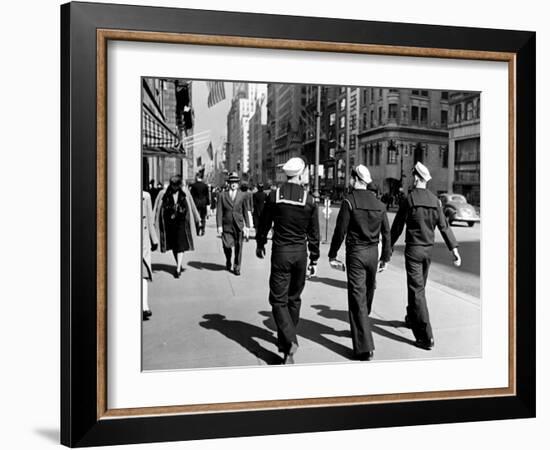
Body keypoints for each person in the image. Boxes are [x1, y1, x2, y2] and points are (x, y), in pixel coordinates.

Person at [390, 162, 462, 350]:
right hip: (428, 252)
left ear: (415, 178)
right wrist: (454, 249)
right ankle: (411, 317)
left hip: (413, 251)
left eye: (413, 177)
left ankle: (425, 336)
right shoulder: (435, 201)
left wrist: (387, 247)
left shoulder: (409, 199)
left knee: (416, 291)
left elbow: (398, 226)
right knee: (418, 288)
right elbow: (444, 226)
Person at [256, 157, 320, 364]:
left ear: (286, 174)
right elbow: (314, 234)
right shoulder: (309, 200)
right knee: (294, 298)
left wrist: (260, 244)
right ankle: (287, 345)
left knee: (277, 299)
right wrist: (314, 259)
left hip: (281, 253)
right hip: (301, 254)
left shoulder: (274, 197)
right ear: (300, 174)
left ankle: (289, 340)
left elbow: (264, 224)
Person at [328, 165, 391, 361]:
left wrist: (332, 254)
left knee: (357, 298)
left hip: (355, 254)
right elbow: (386, 233)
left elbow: (340, 231)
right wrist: (385, 257)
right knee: (368, 292)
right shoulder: (379, 204)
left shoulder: (349, 201)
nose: (349, 180)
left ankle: (364, 347)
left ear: (355, 179)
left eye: (350, 177)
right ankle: (361, 326)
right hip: (373, 254)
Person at [154, 175, 200, 278]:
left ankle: (178, 268)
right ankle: (178, 264)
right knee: (175, 246)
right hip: (169, 224)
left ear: (179, 185)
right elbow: (156, 207)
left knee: (180, 246)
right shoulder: (163, 193)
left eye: (176, 185)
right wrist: (153, 220)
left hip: (182, 224)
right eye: (173, 185)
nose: (174, 187)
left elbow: (192, 205)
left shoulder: (185, 193)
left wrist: (198, 219)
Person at [216, 172, 251, 276]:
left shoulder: (243, 195)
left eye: (235, 182)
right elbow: (219, 211)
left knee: (239, 246)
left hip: (238, 224)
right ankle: (228, 259)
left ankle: (237, 267)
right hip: (226, 224)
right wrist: (219, 225)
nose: (233, 184)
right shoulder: (222, 195)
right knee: (226, 245)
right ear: (228, 183)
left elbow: (245, 211)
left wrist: (247, 226)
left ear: (238, 183)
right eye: (231, 182)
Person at [142, 190, 159, 320]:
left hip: (143, 241)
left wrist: (154, 240)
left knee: (143, 275)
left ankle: (144, 306)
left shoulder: (146, 196)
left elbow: (149, 220)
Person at [189, 172, 210, 236]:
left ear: (197, 177)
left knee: (196, 216)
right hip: (203, 203)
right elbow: (207, 195)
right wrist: (208, 203)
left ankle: (197, 230)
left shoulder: (193, 185)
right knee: (203, 217)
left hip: (196, 203)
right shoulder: (205, 185)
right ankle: (203, 230)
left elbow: (191, 195)